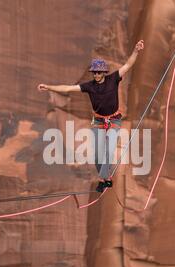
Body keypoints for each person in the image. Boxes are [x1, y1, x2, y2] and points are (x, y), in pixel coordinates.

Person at [38, 40, 145, 192]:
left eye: (98, 72)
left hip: (113, 119)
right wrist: (48, 87)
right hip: (99, 120)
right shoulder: (89, 86)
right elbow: (68, 88)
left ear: (104, 72)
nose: (96, 75)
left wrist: (136, 50)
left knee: (108, 150)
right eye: (94, 72)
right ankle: (106, 178)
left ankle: (104, 180)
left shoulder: (113, 79)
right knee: (97, 155)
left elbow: (128, 65)